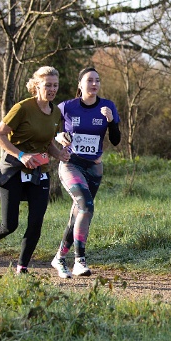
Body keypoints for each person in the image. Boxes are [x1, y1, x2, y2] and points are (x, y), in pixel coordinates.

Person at [0, 66, 70, 275]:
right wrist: (21, 155)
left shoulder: (56, 113)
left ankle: (22, 268)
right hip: (13, 170)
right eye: (47, 85)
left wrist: (59, 154)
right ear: (37, 86)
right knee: (9, 225)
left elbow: (48, 142)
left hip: (39, 172)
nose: (52, 89)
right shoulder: (22, 108)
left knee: (36, 222)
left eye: (55, 85)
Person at [49, 67, 121, 279]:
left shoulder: (108, 106)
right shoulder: (66, 107)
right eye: (89, 80)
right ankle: (79, 260)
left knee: (80, 212)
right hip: (71, 164)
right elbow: (50, 130)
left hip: (94, 168)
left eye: (97, 80)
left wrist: (111, 121)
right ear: (80, 84)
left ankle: (59, 258)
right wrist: (59, 136)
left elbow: (116, 140)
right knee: (86, 206)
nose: (94, 84)